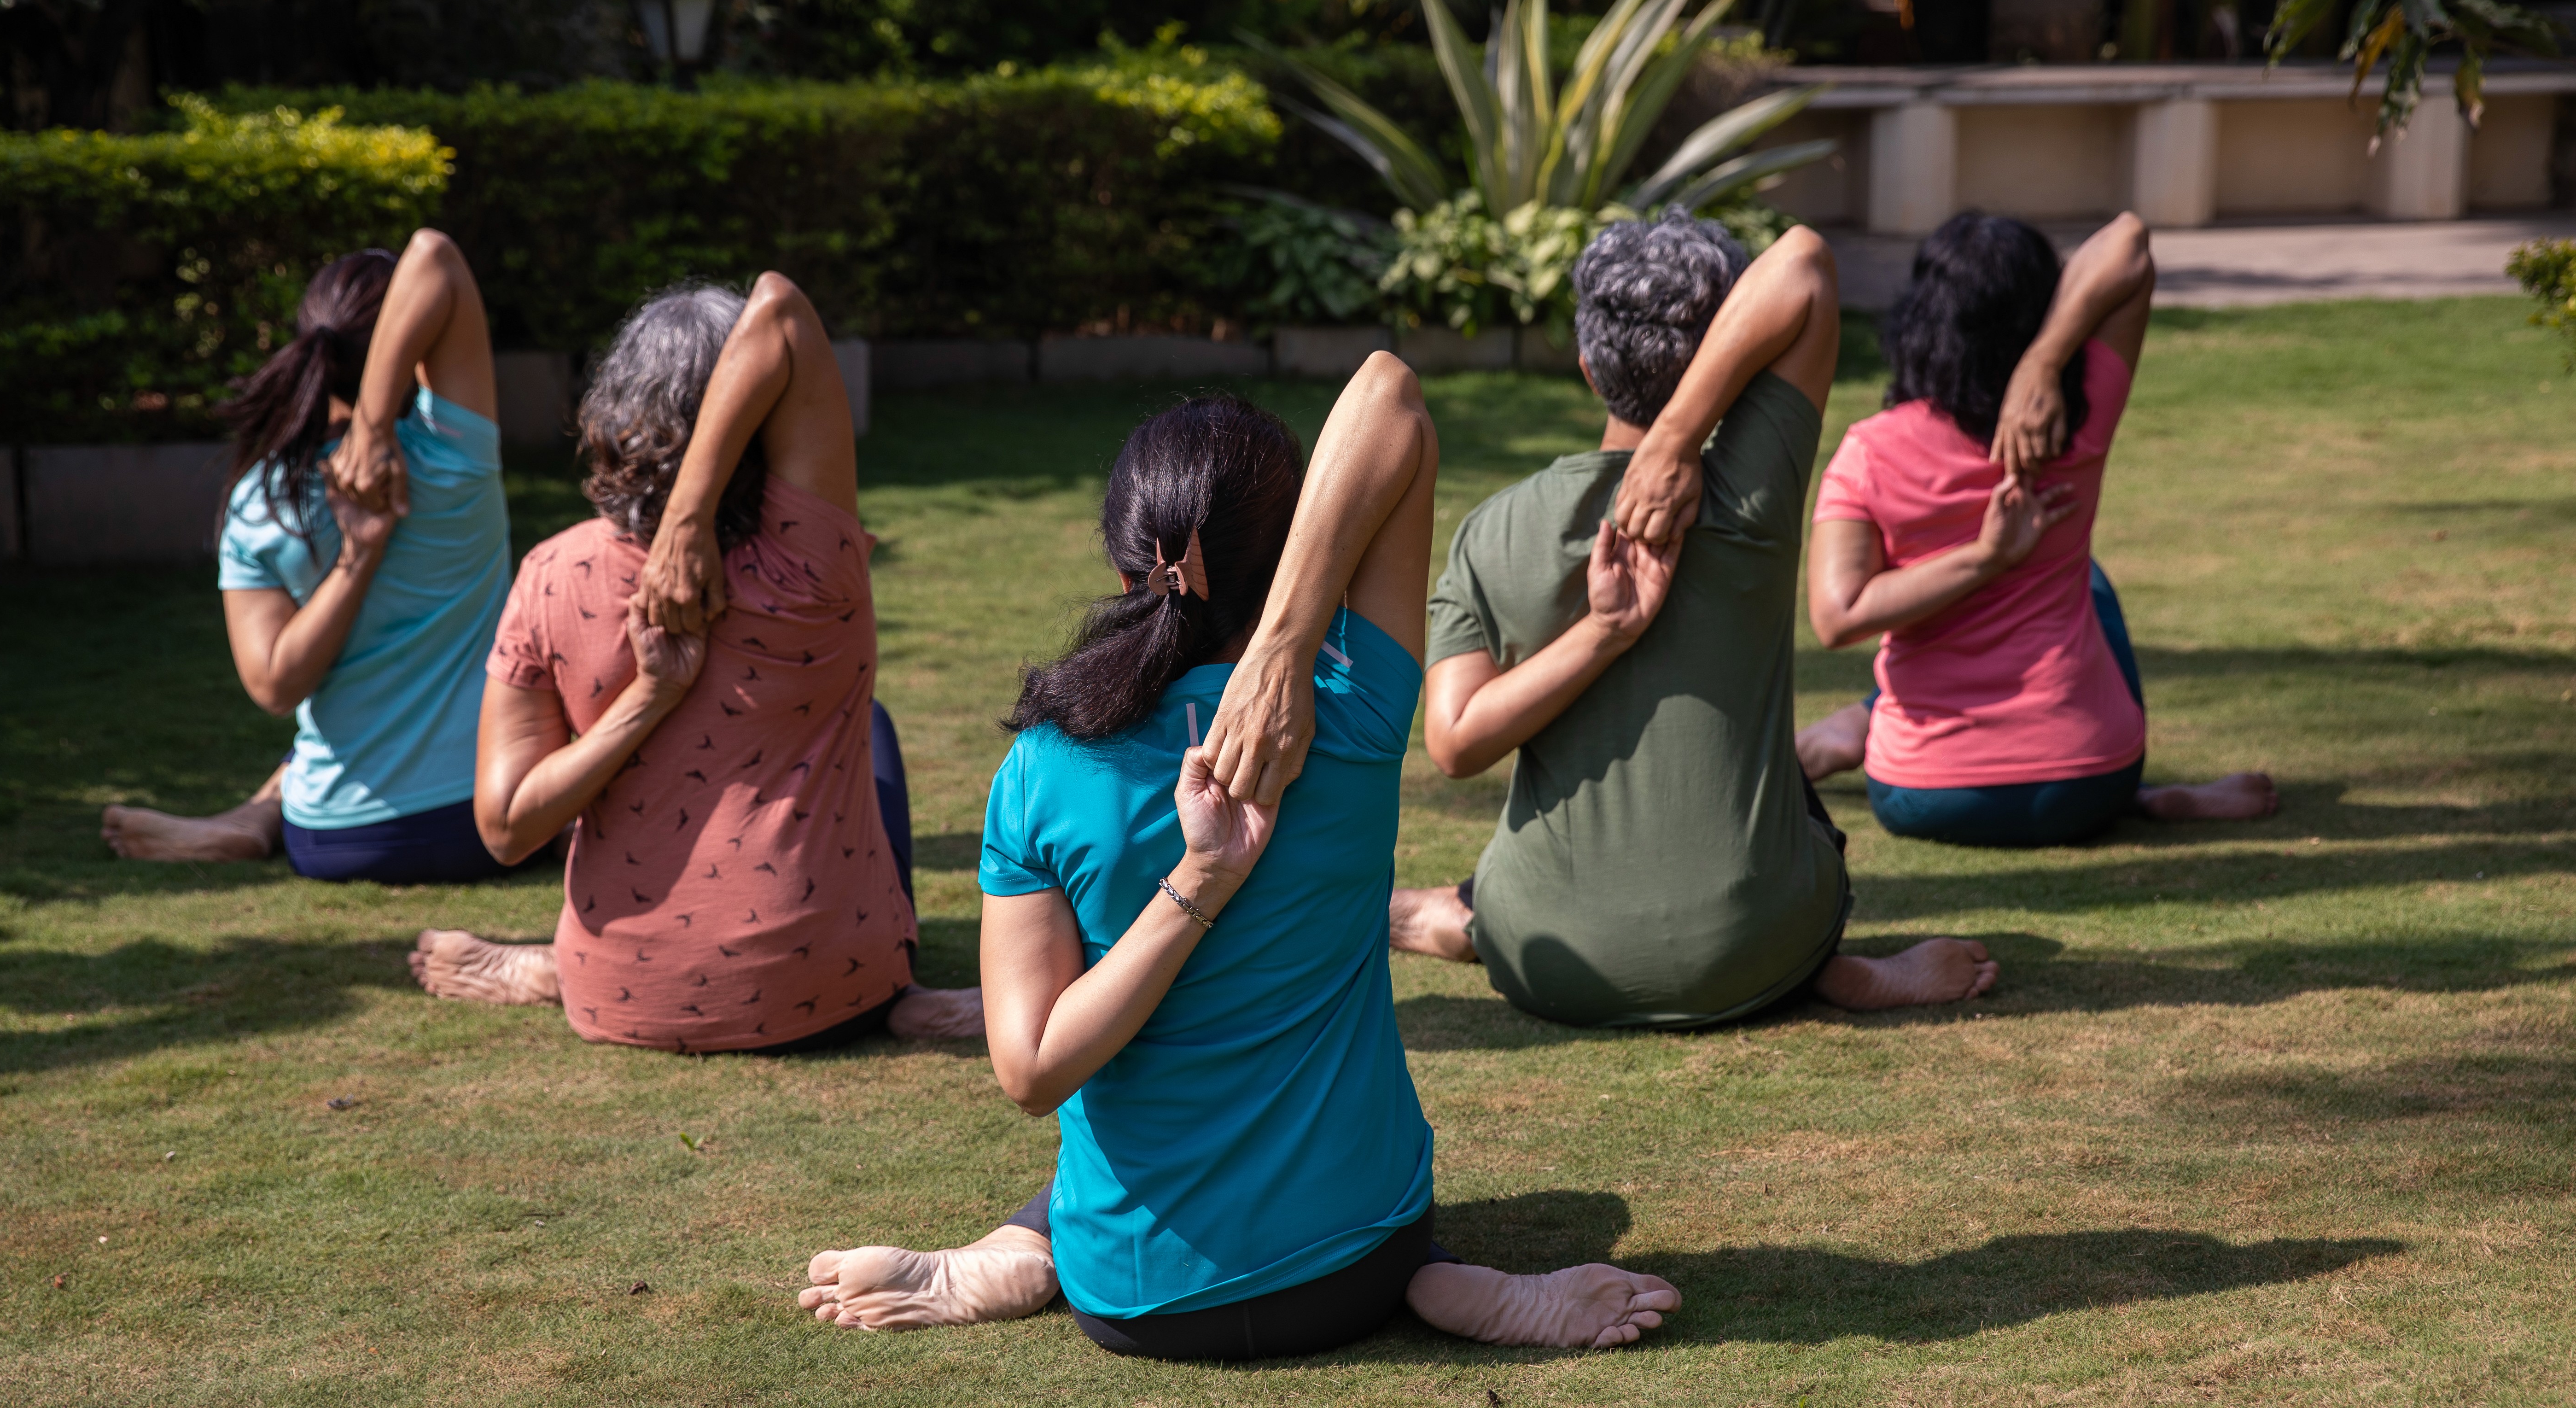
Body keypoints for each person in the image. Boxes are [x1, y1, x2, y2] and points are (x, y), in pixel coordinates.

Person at [794, 359, 1679, 1358]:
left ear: (1123, 562)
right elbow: (1391, 396)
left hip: (1134, 1296)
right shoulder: (1352, 707)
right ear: (1305, 545)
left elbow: (1032, 1068)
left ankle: (1022, 1245)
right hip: (1358, 1262)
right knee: (1369, 1189)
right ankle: (1436, 1280)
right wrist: (1288, 651)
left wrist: (1195, 887)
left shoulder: (1040, 770)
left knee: (1100, 1168)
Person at [1388, 219, 2000, 1023]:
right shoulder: (1754, 494)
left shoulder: (1492, 530)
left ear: (1585, 367)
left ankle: (1462, 916)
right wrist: (1681, 439)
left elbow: (1455, 742)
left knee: (1524, 880)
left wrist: (1599, 631)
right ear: (1735, 363)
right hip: (1757, 944)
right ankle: (1814, 967)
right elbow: (1805, 262)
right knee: (1795, 808)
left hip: (1545, 959)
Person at [408, 273, 981, 1051]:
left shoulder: (552, 572)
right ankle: (900, 995)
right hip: (826, 984)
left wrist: (646, 699)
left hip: (618, 993)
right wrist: (690, 528)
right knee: (867, 730)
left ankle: (554, 966)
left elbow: (506, 831)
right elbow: (779, 308)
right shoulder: (810, 566)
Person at [1794, 210, 2277, 845]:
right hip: (2090, 784)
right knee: (2085, 579)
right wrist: (2044, 361)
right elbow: (2127, 242)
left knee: (2061, 584)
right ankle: (2138, 793)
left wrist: (1981, 559)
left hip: (1927, 794)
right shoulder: (2077, 420)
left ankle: (1865, 719)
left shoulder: (1869, 451)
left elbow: (1838, 617)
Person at [101, 231, 515, 883]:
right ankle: (245, 819)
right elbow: (434, 254)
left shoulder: (260, 499)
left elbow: (272, 686)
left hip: (332, 837)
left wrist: (358, 559)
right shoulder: (453, 457)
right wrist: (376, 433)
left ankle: (251, 819)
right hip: (487, 823)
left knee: (327, 731)